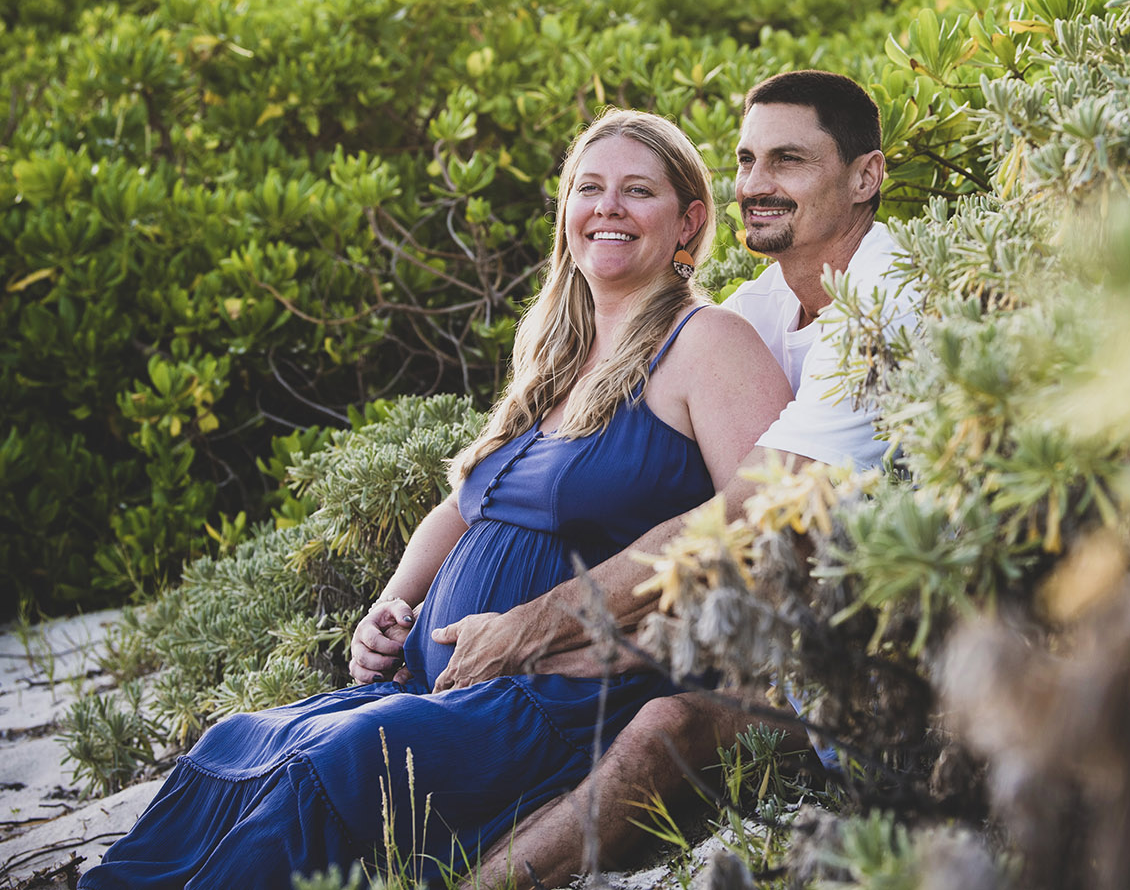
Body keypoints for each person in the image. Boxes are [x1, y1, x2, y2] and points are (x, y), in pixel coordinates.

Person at [77, 109, 794, 889]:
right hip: (443, 684)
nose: (608, 207)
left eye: (637, 191)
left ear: (689, 219)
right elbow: (467, 504)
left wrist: (557, 625)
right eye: (589, 188)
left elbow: (762, 509)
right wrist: (392, 604)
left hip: (565, 695)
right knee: (238, 741)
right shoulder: (558, 352)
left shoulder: (706, 340)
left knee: (331, 766)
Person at [360, 70, 913, 889]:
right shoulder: (762, 309)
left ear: (865, 175)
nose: (757, 184)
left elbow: (759, 512)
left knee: (665, 724)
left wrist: (536, 629)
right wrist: (621, 635)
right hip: (796, 625)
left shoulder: (888, 296)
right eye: (747, 159)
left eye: (788, 161)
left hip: (911, 636)